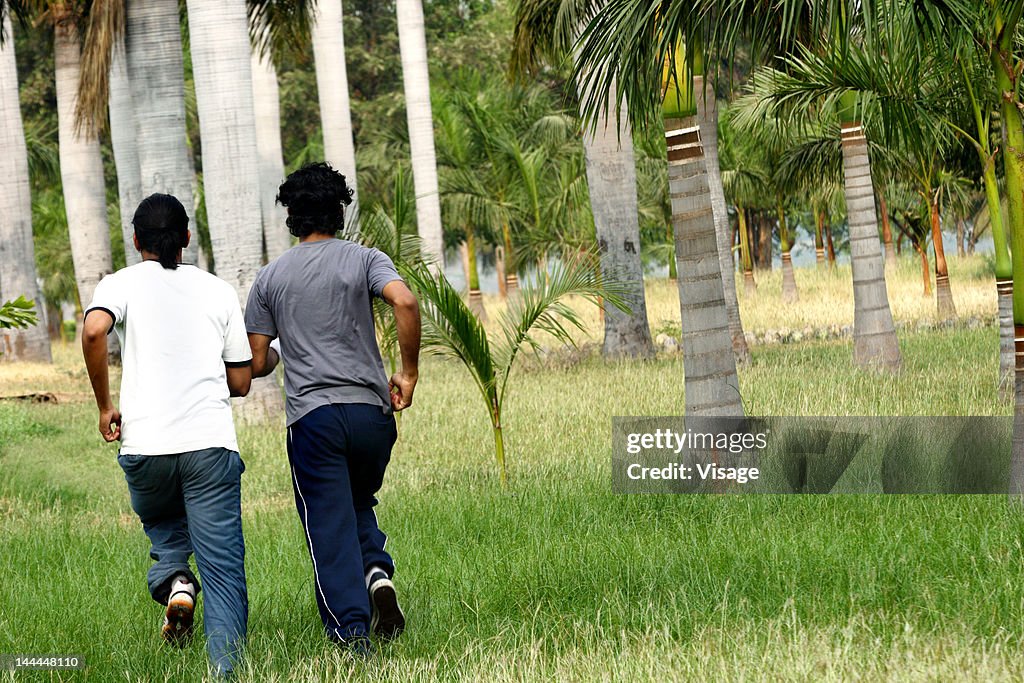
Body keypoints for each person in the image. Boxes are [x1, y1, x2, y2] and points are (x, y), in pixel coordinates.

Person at [245, 162, 421, 653]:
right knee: (358, 501)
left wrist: (278, 354)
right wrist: (407, 373)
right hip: (371, 415)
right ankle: (377, 574)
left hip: (314, 420)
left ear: (291, 217)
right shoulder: (366, 259)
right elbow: (404, 303)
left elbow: (257, 362)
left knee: (327, 523)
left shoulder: (270, 278)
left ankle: (352, 633)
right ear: (339, 211)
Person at [81, 194, 252, 678]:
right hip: (210, 446)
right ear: (187, 239)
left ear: (136, 242)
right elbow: (240, 382)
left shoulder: (120, 284)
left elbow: (95, 333)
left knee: (164, 528)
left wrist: (104, 405)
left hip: (145, 446)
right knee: (222, 568)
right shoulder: (217, 290)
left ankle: (177, 583)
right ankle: (224, 669)